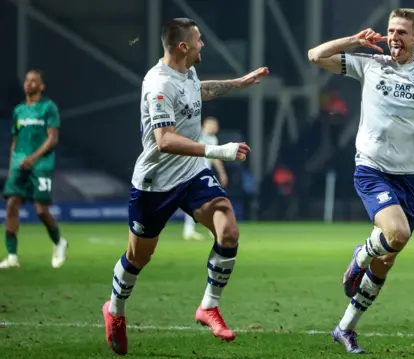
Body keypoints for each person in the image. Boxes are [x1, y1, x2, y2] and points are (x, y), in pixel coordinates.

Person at [308, 8, 414, 353]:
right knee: (396, 234)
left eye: (401, 32)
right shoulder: (371, 64)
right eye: (390, 30)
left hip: (410, 178)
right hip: (372, 169)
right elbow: (315, 56)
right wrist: (354, 40)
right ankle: (360, 256)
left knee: (387, 259)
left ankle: (345, 328)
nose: (393, 37)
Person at [101, 17, 269, 355]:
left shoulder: (187, 71)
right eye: (199, 39)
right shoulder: (159, 84)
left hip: (191, 173)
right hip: (155, 181)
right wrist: (217, 150)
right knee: (139, 256)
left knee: (229, 230)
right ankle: (115, 310)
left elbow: (199, 91)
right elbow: (164, 141)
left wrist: (238, 83)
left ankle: (208, 305)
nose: (202, 44)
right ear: (183, 46)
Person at [0, 70, 68, 269]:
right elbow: (15, 140)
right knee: (12, 205)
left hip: (41, 165)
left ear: (41, 86)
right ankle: (12, 256)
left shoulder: (48, 107)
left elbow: (52, 138)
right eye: (27, 80)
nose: (29, 83)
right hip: (19, 165)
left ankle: (59, 242)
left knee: (40, 210)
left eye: (34, 80)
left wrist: (33, 158)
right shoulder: (19, 111)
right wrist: (13, 164)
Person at [183, 116, 229, 240]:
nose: (215, 127)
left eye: (216, 125)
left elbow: (215, 158)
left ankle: (193, 230)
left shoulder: (213, 139)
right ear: (205, 124)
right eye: (212, 124)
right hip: (192, 172)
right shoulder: (197, 134)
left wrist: (222, 173)